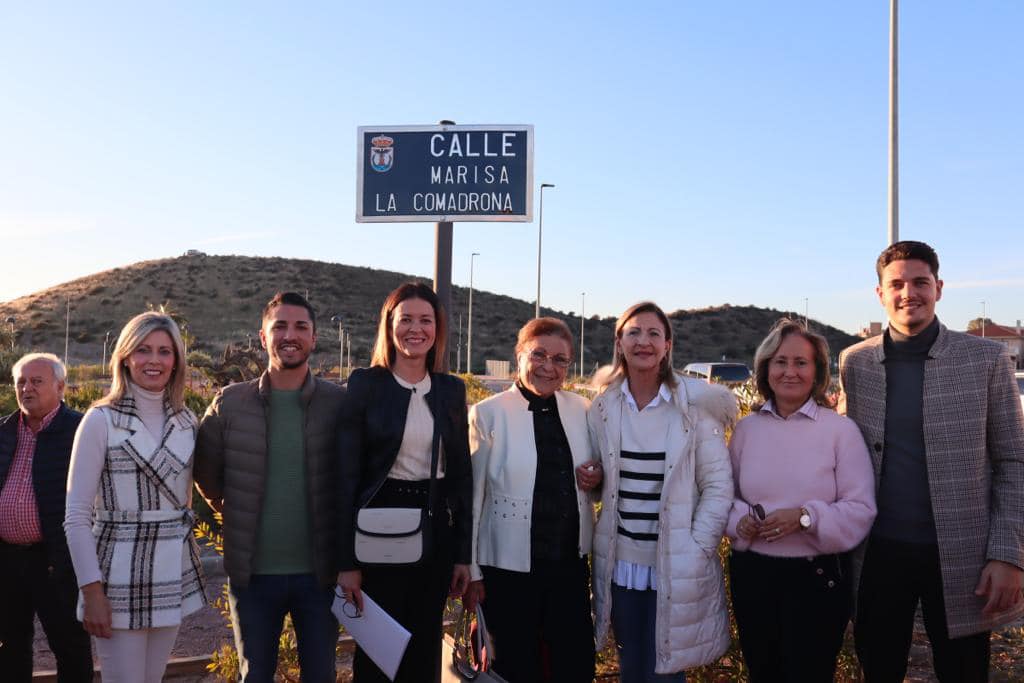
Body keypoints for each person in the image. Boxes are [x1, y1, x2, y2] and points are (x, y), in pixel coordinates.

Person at [839, 240, 1024, 682]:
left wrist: (1009, 555)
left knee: (963, 672)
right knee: (878, 668)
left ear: (938, 288)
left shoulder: (986, 359)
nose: (909, 293)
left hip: (964, 555)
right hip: (878, 553)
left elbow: (1014, 461)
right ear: (880, 294)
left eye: (920, 282)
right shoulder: (855, 363)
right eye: (897, 284)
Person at [194, 292, 345, 683]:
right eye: (279, 326)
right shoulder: (229, 404)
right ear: (262, 337)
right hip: (254, 577)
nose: (289, 335)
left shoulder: (339, 404)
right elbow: (205, 473)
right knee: (255, 675)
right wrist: (232, 507)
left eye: (300, 327)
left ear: (314, 338)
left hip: (321, 577)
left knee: (321, 676)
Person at [588, 301, 736, 682]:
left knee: (666, 672)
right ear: (619, 342)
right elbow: (608, 479)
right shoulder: (604, 406)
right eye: (634, 332)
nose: (644, 341)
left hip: (674, 561)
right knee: (631, 666)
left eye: (654, 333)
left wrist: (699, 543)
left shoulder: (694, 408)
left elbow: (718, 485)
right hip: (621, 564)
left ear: (668, 345)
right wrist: (594, 478)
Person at [726, 319, 876, 682]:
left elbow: (861, 510)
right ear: (765, 369)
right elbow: (725, 497)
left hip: (815, 579)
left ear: (817, 371)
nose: (789, 371)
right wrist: (739, 521)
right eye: (780, 361)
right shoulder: (746, 429)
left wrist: (806, 517)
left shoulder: (841, 431)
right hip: (753, 576)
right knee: (763, 673)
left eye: (800, 362)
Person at [337, 282, 472, 683]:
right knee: (379, 653)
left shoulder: (451, 390)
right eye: (406, 319)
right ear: (389, 325)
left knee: (424, 648)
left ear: (437, 329)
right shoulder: (366, 385)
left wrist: (463, 554)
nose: (416, 329)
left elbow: (461, 477)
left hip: (434, 531)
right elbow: (346, 477)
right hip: (379, 531)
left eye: (426, 320)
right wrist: (346, 563)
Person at [64, 312, 206, 682]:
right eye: (143, 350)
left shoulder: (187, 420)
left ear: (176, 360)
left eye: (164, 351)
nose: (154, 360)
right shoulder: (99, 420)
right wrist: (91, 591)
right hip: (117, 574)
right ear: (125, 357)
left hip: (170, 568)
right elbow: (77, 516)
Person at [463, 317, 602, 683]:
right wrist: (473, 571)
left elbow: (597, 480)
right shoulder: (488, 413)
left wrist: (596, 477)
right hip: (507, 571)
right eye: (538, 355)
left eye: (560, 359)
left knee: (574, 666)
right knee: (515, 668)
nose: (548, 367)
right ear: (520, 355)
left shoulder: (582, 409)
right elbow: (472, 498)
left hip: (569, 566)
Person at [1, 353, 93, 682]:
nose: (27, 388)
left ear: (60, 386)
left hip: (57, 559)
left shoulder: (81, 430)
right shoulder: (5, 431)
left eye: (36, 381)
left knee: (69, 645)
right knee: (9, 647)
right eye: (21, 382)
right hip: (8, 560)